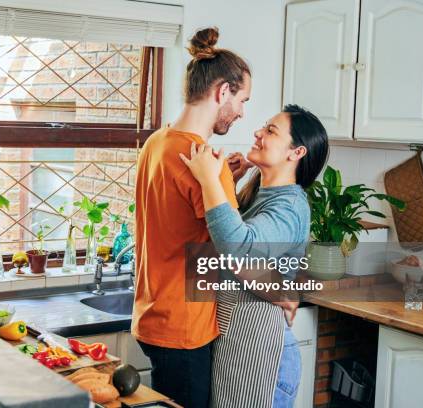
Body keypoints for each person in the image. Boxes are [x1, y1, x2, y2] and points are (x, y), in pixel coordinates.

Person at [131, 26, 252, 408]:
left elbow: (177, 215)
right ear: (222, 92)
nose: (242, 113)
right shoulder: (205, 164)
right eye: (242, 100)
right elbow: (236, 251)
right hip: (184, 326)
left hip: (151, 315)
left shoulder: (159, 141)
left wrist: (224, 181)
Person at [180, 104, 329, 407]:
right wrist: (228, 185)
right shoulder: (262, 194)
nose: (258, 133)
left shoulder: (289, 207)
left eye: (271, 131)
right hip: (240, 342)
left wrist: (210, 180)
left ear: (296, 152)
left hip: (263, 352)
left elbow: (240, 250)